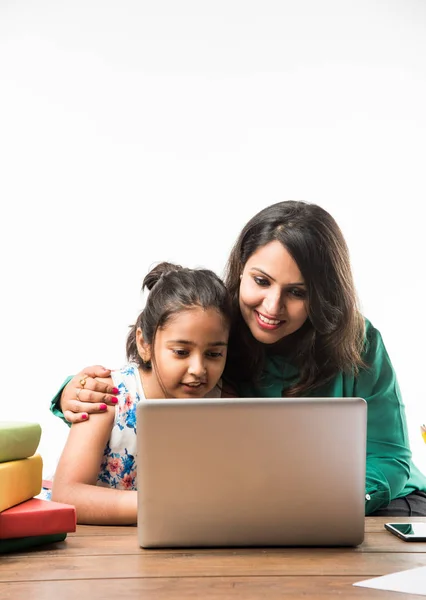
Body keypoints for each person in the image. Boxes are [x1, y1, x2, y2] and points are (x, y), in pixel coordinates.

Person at [51, 200, 426, 517]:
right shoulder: (216, 324)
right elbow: (152, 367)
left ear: (323, 295)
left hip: (374, 501)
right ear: (241, 269)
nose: (272, 307)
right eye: (261, 281)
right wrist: (73, 390)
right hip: (250, 512)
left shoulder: (357, 340)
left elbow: (390, 457)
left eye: (297, 292)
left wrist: (324, 502)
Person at [50, 262, 232, 525]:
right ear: (145, 344)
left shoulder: (225, 401)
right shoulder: (108, 396)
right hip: (101, 552)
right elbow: (66, 494)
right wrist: (159, 507)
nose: (198, 369)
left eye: (214, 354)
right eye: (181, 352)